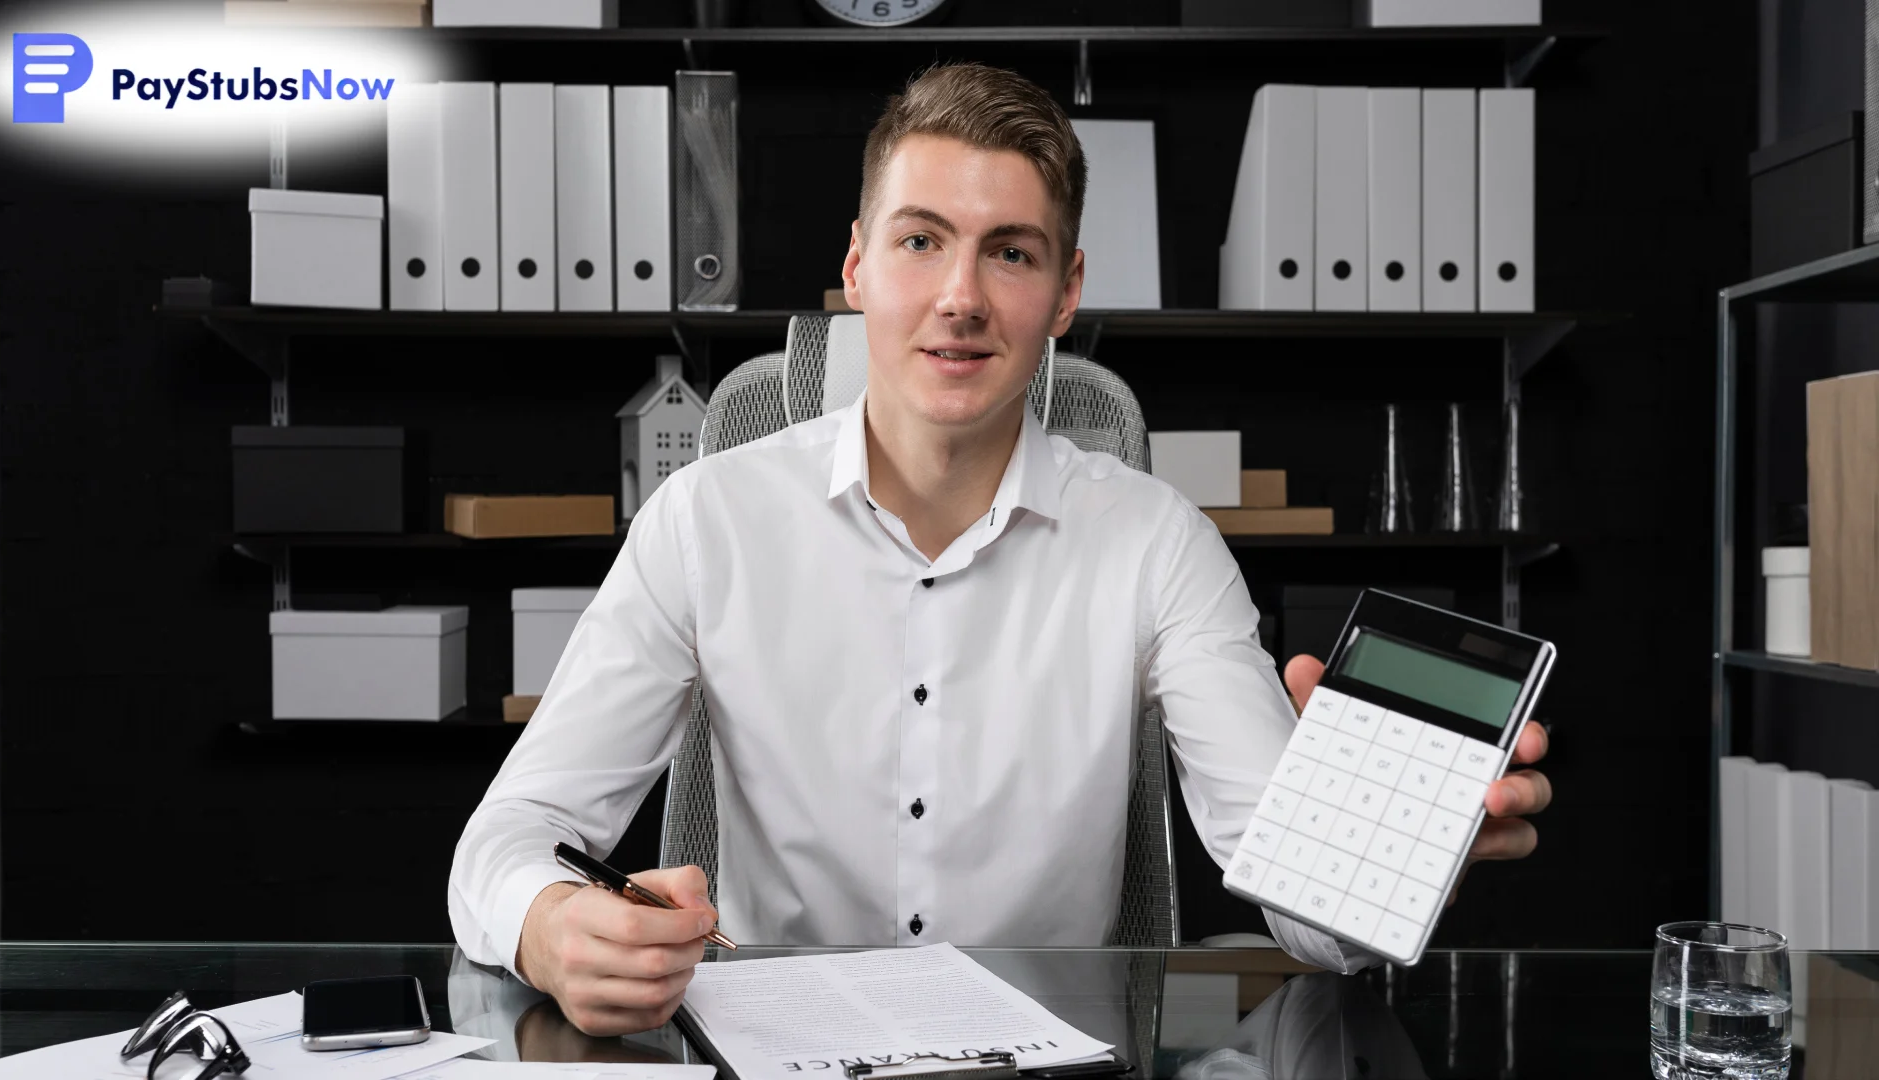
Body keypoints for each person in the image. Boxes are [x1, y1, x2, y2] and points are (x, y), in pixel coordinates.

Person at [448, 61, 1552, 1037]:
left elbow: (1310, 923)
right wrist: (549, 926)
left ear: (1066, 292)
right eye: (921, 240)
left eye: (1010, 253)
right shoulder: (704, 519)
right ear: (859, 269)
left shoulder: (1157, 544)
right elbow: (509, 840)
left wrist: (1389, 864)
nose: (961, 297)